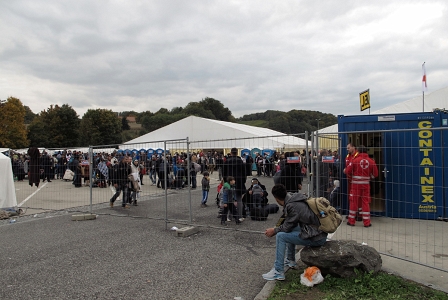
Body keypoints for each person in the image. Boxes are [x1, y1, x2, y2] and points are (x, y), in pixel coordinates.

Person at [262, 184, 327, 281]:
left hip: (316, 237)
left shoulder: (292, 205)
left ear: (276, 199)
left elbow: (287, 226)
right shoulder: (293, 198)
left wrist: (274, 231)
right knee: (291, 229)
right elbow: (288, 222)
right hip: (318, 232)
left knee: (281, 236)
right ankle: (290, 260)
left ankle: (278, 271)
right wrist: (276, 227)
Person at [344, 145, 378, 227]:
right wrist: (369, 177)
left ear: (358, 151)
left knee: (353, 202)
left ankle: (351, 221)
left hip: (355, 185)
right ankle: (367, 222)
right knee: (365, 203)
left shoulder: (355, 160)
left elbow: (348, 171)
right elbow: (375, 174)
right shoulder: (371, 161)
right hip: (366, 185)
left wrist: (345, 170)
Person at [222, 147, 247, 222]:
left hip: (229, 181)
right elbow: (244, 173)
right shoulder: (240, 161)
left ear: (231, 152)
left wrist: (226, 181)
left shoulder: (227, 161)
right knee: (239, 200)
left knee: (229, 199)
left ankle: (229, 216)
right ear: (237, 152)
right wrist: (243, 181)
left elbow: (224, 172)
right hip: (239, 182)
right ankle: (239, 216)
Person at [343, 143, 360, 220]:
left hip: (357, 181)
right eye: (347, 148)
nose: (347, 149)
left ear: (353, 147)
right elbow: (347, 167)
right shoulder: (347, 156)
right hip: (349, 180)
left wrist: (346, 170)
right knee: (351, 198)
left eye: (349, 148)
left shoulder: (358, 156)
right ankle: (352, 214)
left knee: (358, 198)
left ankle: (359, 215)